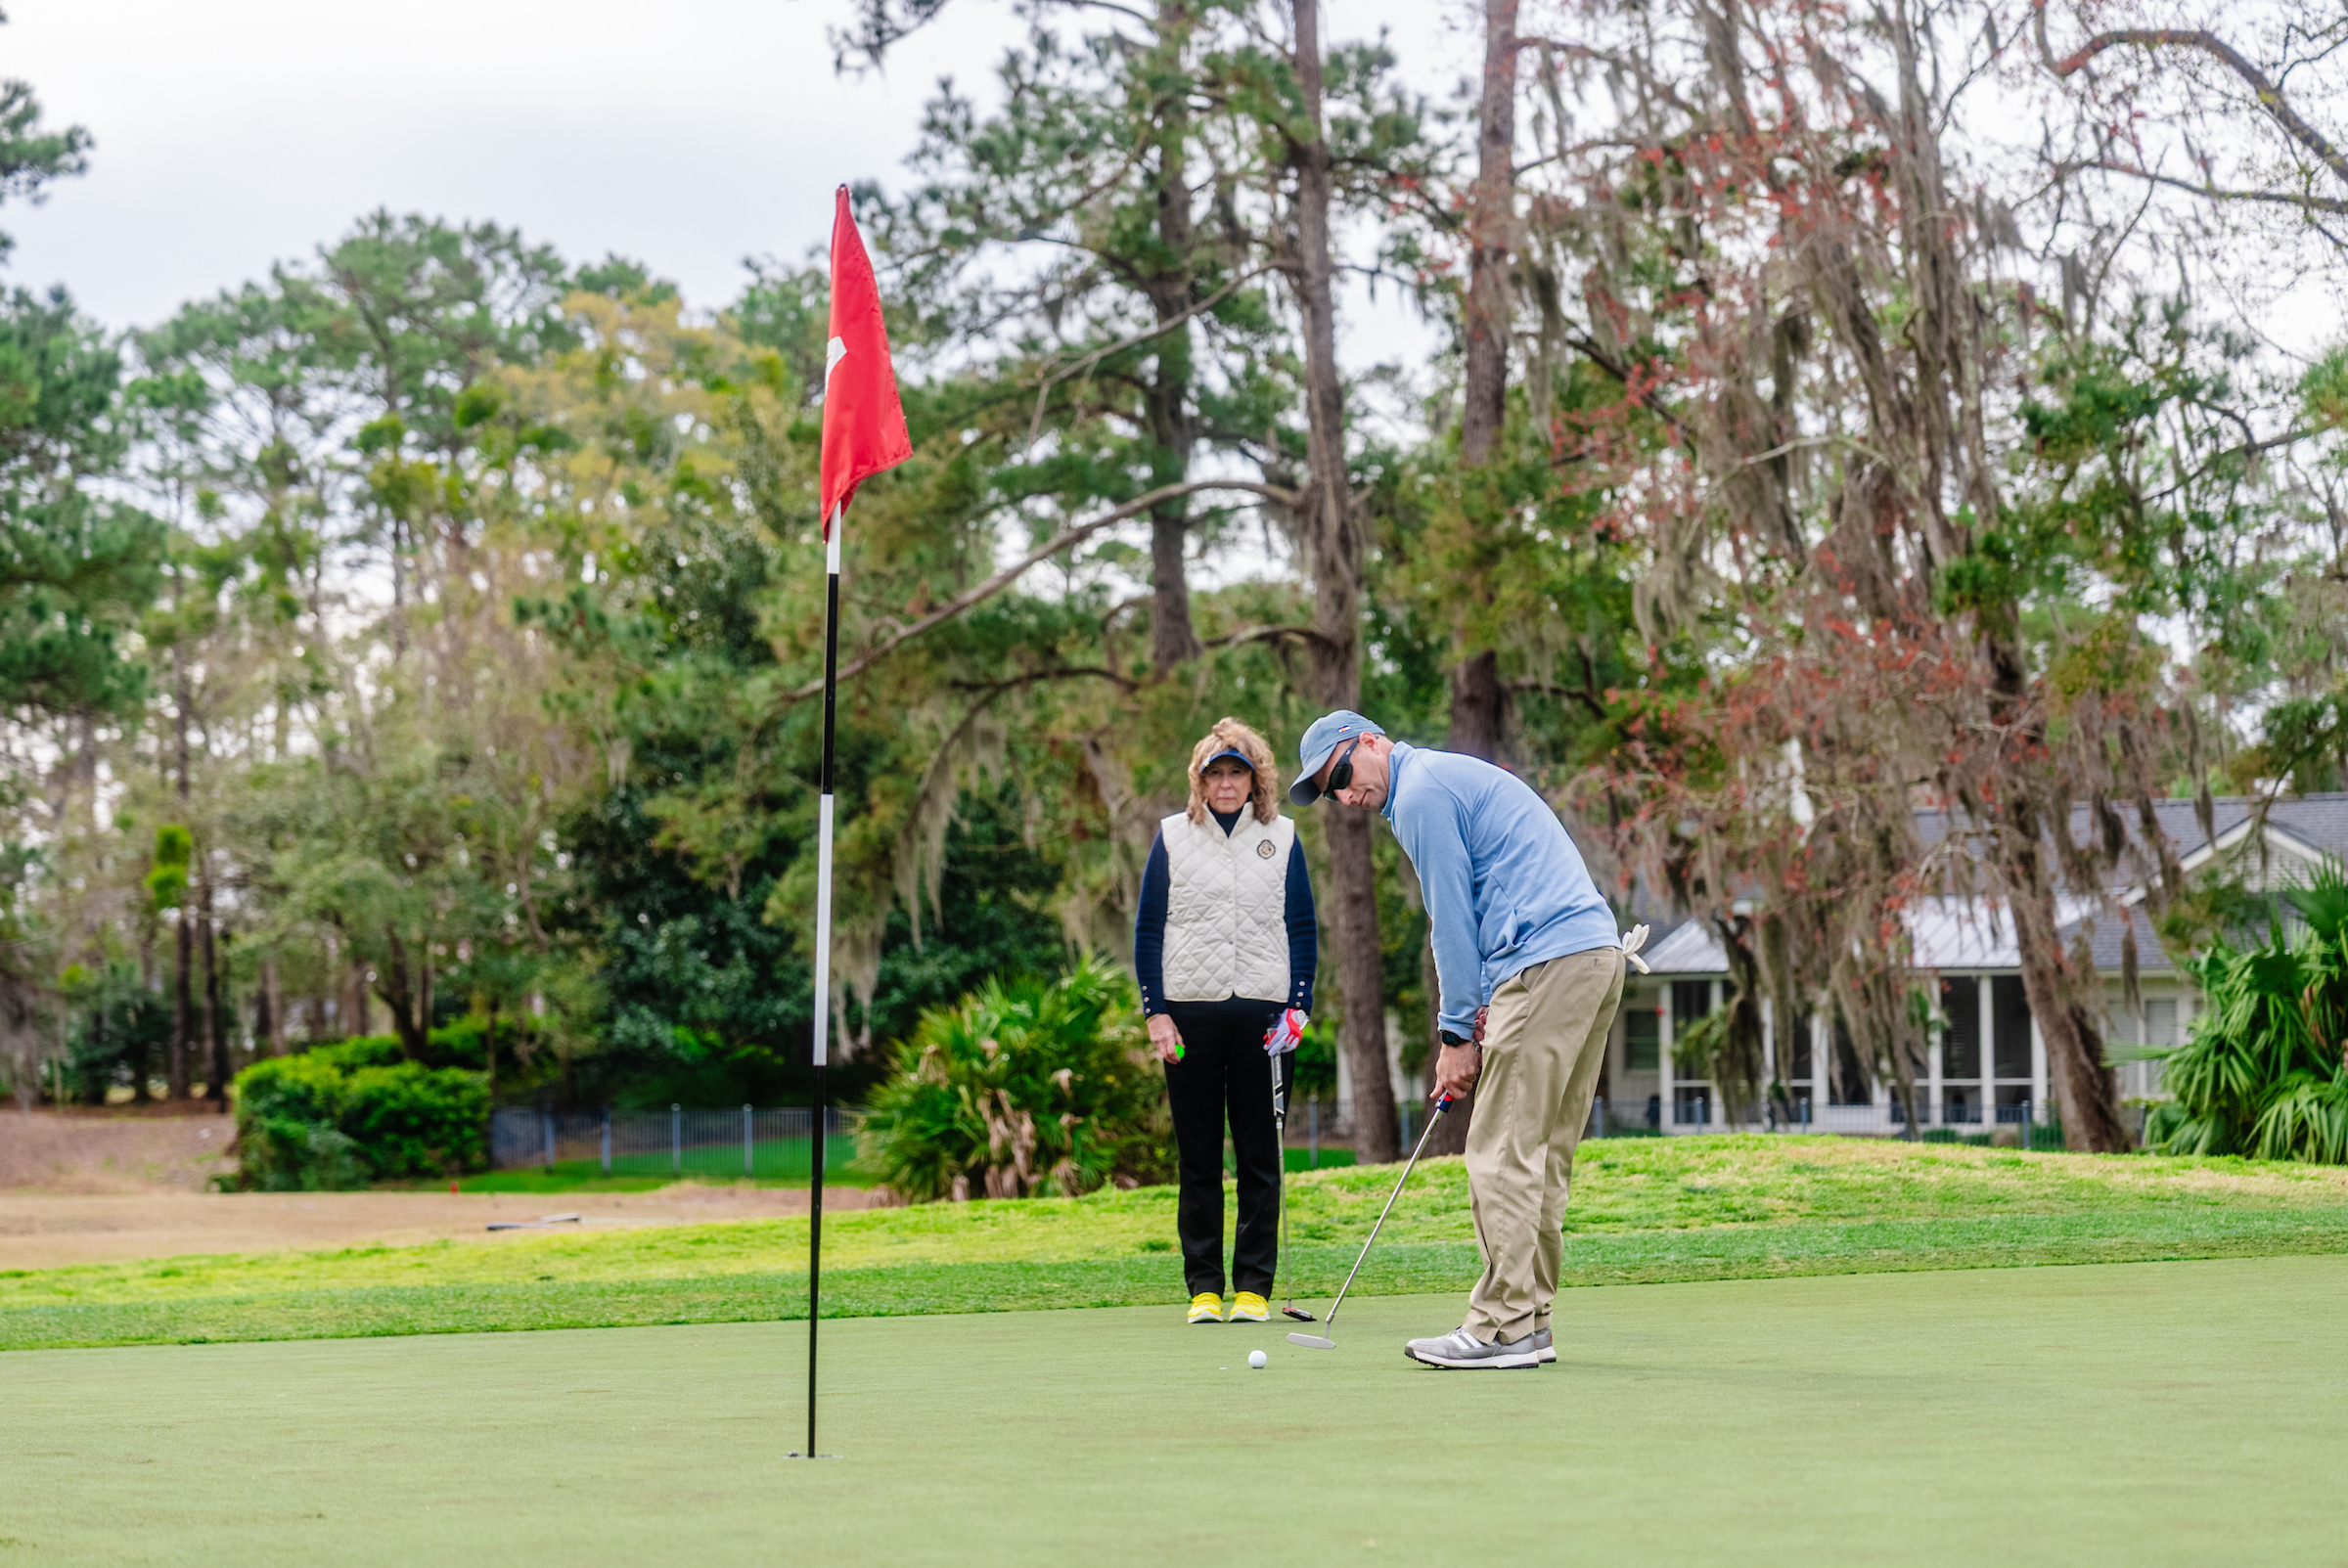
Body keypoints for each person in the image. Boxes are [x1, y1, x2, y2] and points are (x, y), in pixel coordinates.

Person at [1289, 709, 1640, 1368]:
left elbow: (1449, 917)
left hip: (1545, 962)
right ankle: (1530, 1321)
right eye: (1331, 792)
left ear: (1371, 741)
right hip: (1592, 956)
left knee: (1499, 1153)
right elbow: (1482, 901)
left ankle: (1499, 1328)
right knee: (1538, 1155)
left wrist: (1455, 1033)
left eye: (1341, 774)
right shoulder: (1442, 778)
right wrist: (1481, 1002)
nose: (1344, 795)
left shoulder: (1419, 792)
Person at [1134, 718, 1317, 1325]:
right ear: (1200, 780)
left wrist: (1298, 1006)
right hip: (1189, 1017)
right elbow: (1149, 930)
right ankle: (1205, 1289)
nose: (1227, 783)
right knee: (1199, 1158)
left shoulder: (1282, 836)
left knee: (1261, 1155)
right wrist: (1156, 1014)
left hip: (1266, 1019)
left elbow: (1301, 927)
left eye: (1237, 772)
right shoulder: (1172, 836)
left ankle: (1254, 1288)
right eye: (1216, 773)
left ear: (1255, 778)